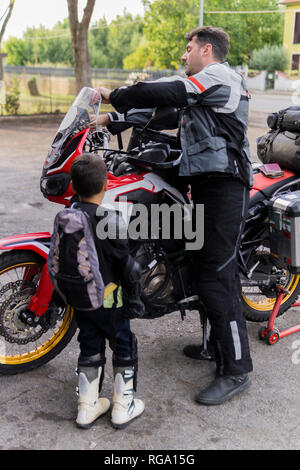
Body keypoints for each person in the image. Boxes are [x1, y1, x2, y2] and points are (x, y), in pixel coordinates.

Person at [94, 25, 253, 406]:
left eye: (188, 48)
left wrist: (112, 94)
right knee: (199, 267)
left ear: (207, 50)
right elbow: (160, 114)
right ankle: (214, 347)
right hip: (205, 186)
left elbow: (167, 90)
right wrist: (110, 120)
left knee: (218, 276)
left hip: (226, 188)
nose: (184, 55)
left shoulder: (220, 76)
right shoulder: (202, 94)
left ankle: (237, 370)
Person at [69, 153, 144, 428]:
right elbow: (129, 268)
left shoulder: (68, 216)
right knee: (124, 345)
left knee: (89, 344)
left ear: (74, 186)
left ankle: (86, 407)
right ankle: (123, 406)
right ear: (107, 185)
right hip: (111, 299)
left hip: (81, 300)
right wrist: (135, 298)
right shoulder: (109, 220)